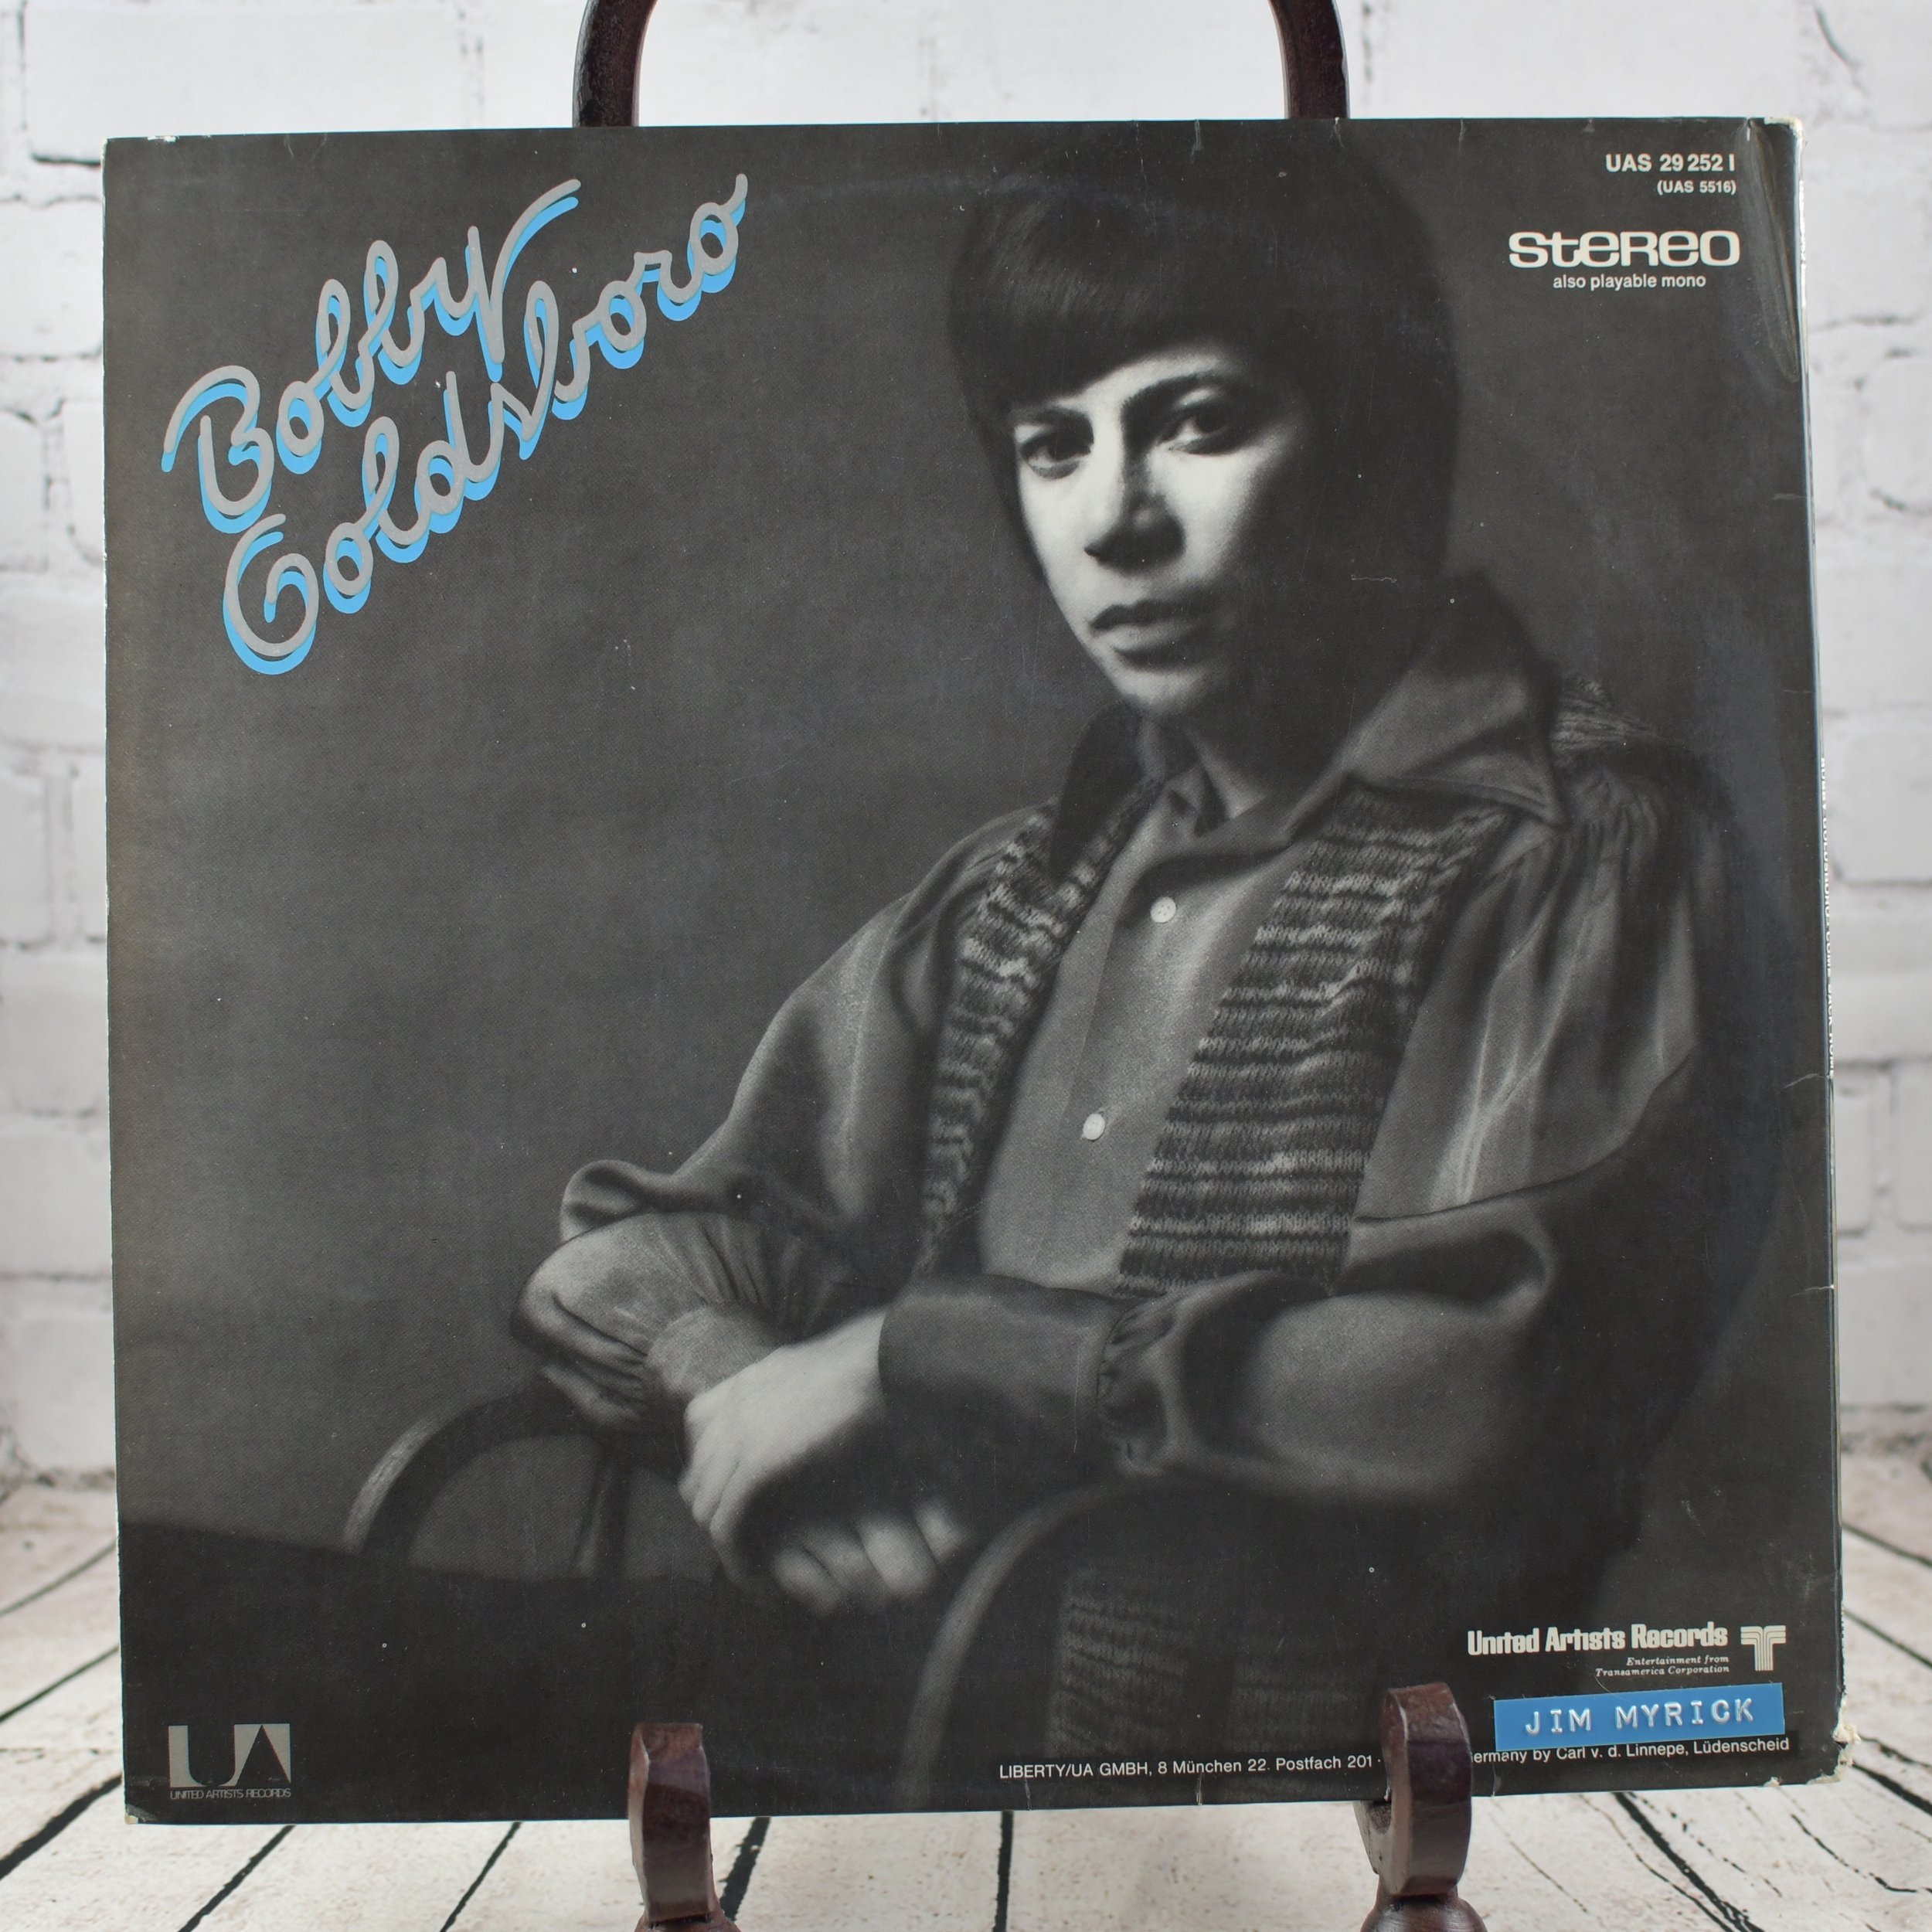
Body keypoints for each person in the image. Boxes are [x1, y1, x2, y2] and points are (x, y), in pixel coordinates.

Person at [513, 128, 1773, 1799]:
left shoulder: (1577, 854)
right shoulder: (1018, 893)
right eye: (1052, 445)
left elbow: (1481, 1386)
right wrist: (736, 1384)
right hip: (899, 1756)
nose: (1113, 522)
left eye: (1197, 421)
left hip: (1333, 1788)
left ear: (1370, 429)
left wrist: (907, 1355)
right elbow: (623, 1259)